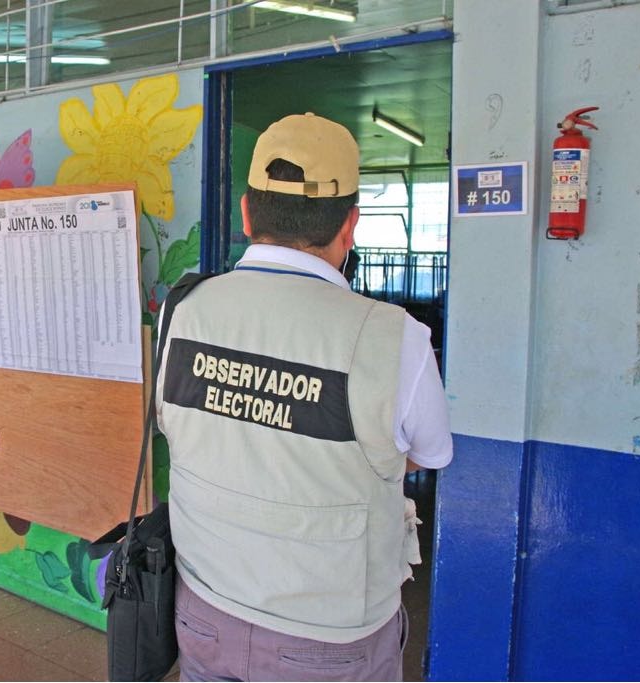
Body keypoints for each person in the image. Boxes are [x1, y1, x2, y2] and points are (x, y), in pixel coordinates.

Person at [155, 113, 453, 681]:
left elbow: (185, 425)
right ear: (351, 225)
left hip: (204, 610)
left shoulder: (182, 310)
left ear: (246, 213)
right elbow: (426, 455)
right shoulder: (396, 339)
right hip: (328, 638)